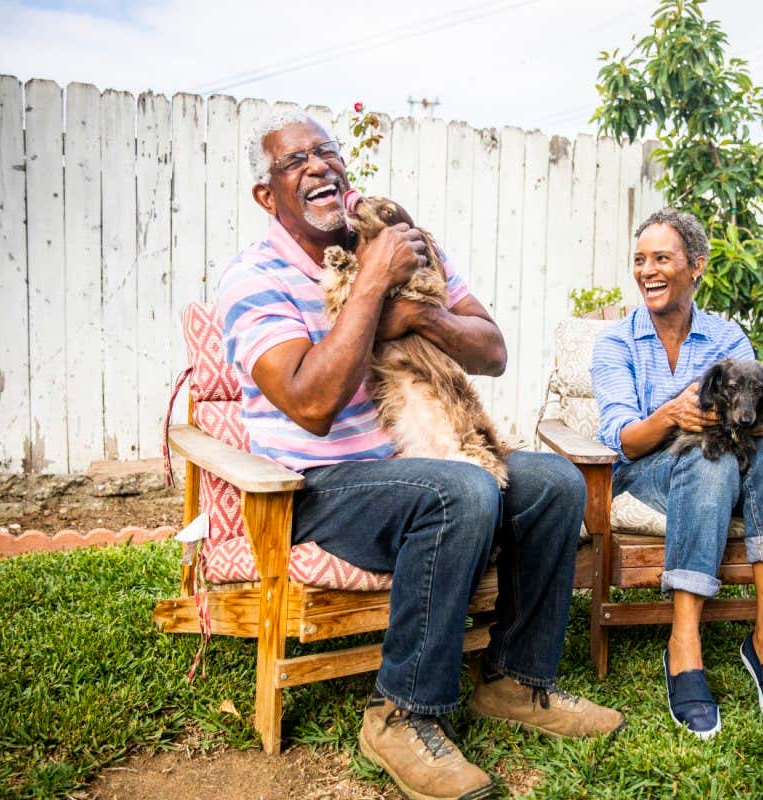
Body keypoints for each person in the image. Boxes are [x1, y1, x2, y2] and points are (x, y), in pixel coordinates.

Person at [216, 108, 623, 800]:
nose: (319, 167)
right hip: (320, 486)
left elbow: (492, 350)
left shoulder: (399, 243)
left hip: (430, 452)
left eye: (327, 152)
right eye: (296, 162)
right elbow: (310, 404)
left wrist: (422, 314)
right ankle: (401, 714)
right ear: (267, 195)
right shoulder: (253, 279)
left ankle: (514, 684)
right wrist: (372, 288)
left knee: (553, 481)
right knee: (459, 491)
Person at [590, 209, 763, 739]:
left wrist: (732, 419)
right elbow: (622, 438)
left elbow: (758, 417)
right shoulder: (616, 343)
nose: (647, 270)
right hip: (648, 471)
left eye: (662, 258)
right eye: (640, 260)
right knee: (708, 463)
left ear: (697, 267)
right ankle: (683, 645)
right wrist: (670, 414)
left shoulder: (727, 338)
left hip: (733, 461)